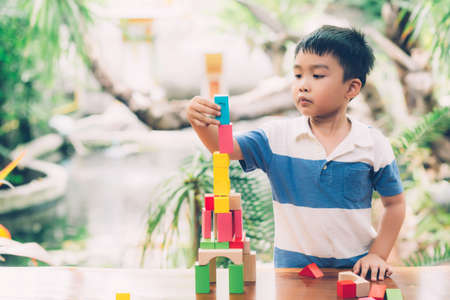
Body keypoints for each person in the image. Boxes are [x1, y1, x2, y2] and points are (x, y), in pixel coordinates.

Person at [186, 25, 405, 281]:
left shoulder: (373, 144)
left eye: (318, 76)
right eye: (298, 75)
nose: (303, 85)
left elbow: (395, 204)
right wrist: (198, 121)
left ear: (352, 88)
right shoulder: (276, 137)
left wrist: (378, 255)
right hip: (292, 275)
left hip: (355, 274)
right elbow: (223, 147)